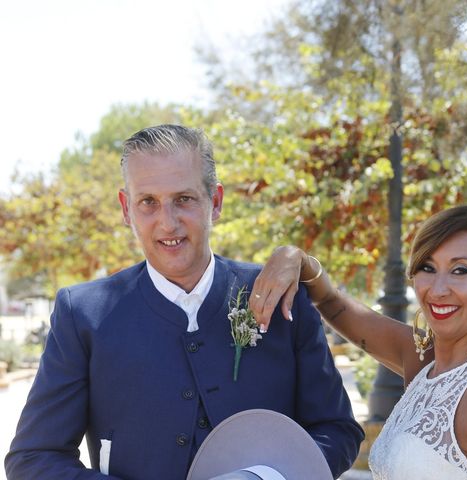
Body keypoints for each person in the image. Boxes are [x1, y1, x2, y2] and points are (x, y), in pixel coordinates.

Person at [5, 125, 364, 480]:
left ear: (216, 202)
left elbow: (337, 430)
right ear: (126, 208)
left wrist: (265, 478)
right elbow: (34, 457)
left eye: (184, 199)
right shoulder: (82, 313)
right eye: (148, 202)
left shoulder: (283, 295)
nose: (168, 222)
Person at [250, 205, 467, 479]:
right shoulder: (425, 359)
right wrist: (292, 257)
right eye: (427, 267)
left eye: (461, 270)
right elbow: (330, 300)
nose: (437, 289)